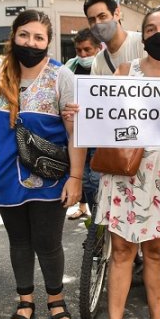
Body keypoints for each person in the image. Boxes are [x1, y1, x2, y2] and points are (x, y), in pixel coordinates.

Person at [82, 0, 160, 302]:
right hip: (126, 174)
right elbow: (102, 115)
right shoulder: (124, 71)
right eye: (152, 29)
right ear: (143, 38)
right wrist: (81, 114)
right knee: (123, 252)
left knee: (157, 253)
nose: (159, 35)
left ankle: (159, 314)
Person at [0, 9, 85, 319]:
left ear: (48, 42)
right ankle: (25, 300)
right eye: (24, 35)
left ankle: (56, 299)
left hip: (50, 175)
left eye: (39, 37)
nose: (31, 42)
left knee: (47, 241)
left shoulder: (62, 77)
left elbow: (75, 133)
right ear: (14, 36)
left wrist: (76, 178)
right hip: (6, 174)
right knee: (18, 241)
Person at [65, 29, 103, 220]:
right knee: (86, 181)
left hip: (99, 135)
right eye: (79, 50)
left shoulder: (105, 67)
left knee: (96, 180)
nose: (83, 55)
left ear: (98, 48)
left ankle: (99, 225)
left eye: (87, 50)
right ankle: (94, 223)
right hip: (78, 133)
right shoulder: (70, 67)